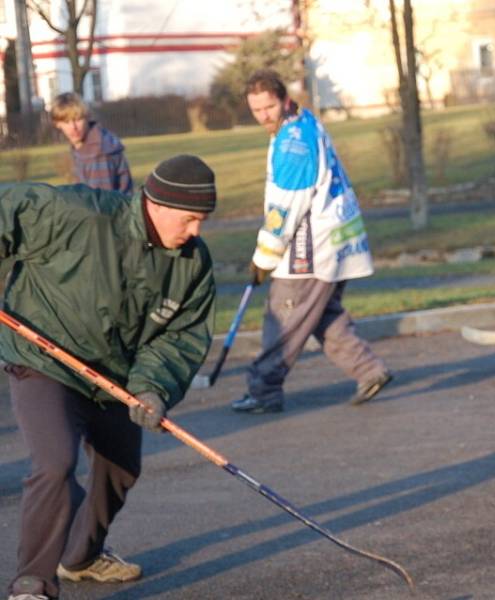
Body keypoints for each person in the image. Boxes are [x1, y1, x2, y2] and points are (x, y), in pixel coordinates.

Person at [1, 155, 217, 600]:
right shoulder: (80, 215)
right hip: (43, 358)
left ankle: (80, 556)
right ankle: (33, 582)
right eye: (191, 218)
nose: (196, 231)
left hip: (115, 376)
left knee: (121, 466)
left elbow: (180, 336)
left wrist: (153, 387)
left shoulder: (192, 263)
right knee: (56, 462)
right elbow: (8, 209)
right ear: (156, 204)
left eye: (202, 220)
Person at [231, 69, 392, 414]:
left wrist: (264, 258)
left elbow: (284, 210)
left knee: (283, 318)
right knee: (322, 316)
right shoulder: (301, 122)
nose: (263, 116)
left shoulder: (294, 144)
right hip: (335, 244)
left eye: (268, 108)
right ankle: (369, 370)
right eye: (256, 110)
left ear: (284, 100)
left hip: (309, 251)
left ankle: (264, 390)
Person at [51, 92, 133, 194]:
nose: (73, 127)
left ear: (87, 117)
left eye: (77, 119)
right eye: (66, 121)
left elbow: (101, 204)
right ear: (57, 124)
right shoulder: (83, 145)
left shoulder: (97, 151)